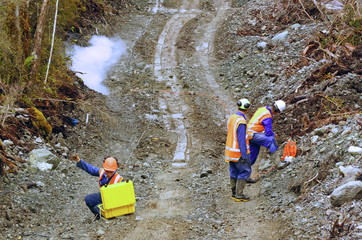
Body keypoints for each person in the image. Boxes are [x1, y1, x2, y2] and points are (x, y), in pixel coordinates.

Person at [72, 153, 124, 220]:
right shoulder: (102, 172)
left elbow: (123, 197)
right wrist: (79, 161)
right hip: (105, 196)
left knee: (97, 208)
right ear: (104, 168)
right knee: (88, 199)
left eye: (111, 172)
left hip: (114, 201)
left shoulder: (119, 180)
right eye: (107, 171)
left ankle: (109, 217)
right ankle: (99, 217)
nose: (109, 174)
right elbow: (91, 169)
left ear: (115, 170)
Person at [247, 100, 288, 174]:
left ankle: (242, 175)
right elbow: (268, 132)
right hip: (253, 134)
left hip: (249, 134)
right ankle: (278, 163)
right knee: (271, 140)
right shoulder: (267, 116)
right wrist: (273, 135)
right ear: (277, 111)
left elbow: (258, 125)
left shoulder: (262, 109)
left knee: (252, 156)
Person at [225, 98, 252, 202]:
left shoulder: (232, 118)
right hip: (238, 153)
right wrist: (244, 156)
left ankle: (233, 193)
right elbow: (241, 140)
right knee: (244, 171)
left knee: (234, 171)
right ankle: (239, 195)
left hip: (230, 152)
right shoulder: (241, 122)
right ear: (247, 108)